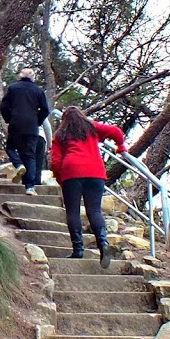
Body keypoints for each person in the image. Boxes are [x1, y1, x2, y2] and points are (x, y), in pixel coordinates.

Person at [50, 106, 126, 268]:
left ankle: (78, 249)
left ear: (64, 120)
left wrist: (59, 177)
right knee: (95, 210)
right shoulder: (91, 127)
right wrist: (121, 146)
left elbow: (55, 161)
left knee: (73, 211)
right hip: (95, 172)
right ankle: (103, 243)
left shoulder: (60, 135)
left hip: (72, 173)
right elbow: (116, 132)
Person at [0, 68, 50, 195]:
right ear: (33, 77)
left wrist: (9, 118)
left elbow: (4, 106)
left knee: (10, 148)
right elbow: (45, 110)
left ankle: (18, 164)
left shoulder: (13, 88)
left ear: (20, 76)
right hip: (32, 127)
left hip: (15, 124)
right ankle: (30, 187)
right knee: (30, 156)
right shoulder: (39, 91)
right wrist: (37, 121)